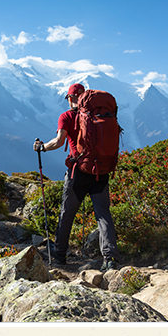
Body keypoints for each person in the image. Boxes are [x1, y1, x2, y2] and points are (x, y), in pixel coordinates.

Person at [33, 83, 120, 272]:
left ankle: (59, 256)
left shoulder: (66, 116)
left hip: (78, 173)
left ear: (71, 98)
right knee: (103, 215)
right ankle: (110, 258)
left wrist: (42, 147)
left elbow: (59, 141)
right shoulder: (100, 114)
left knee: (67, 214)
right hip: (101, 172)